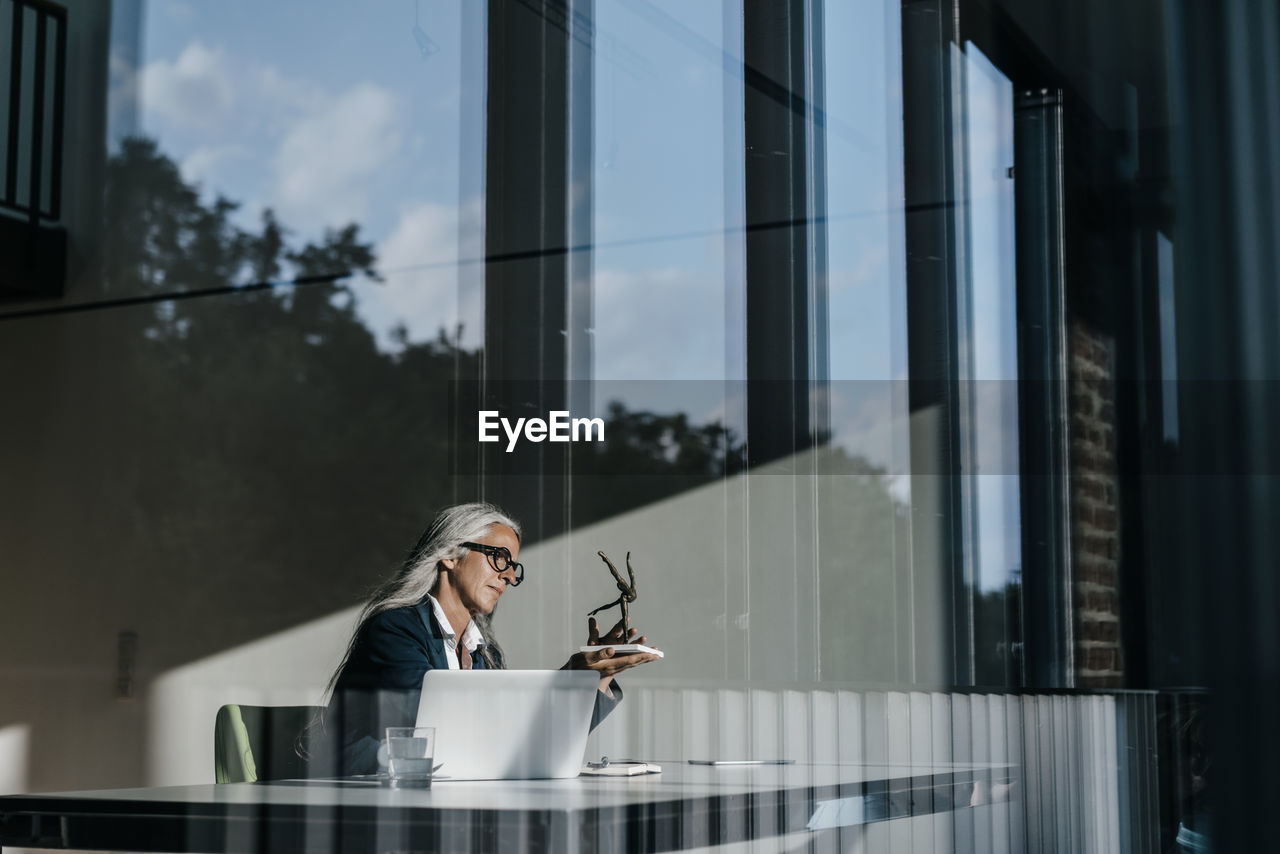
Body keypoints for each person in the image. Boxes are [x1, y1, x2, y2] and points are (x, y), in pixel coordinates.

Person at [310, 502, 659, 776]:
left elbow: (522, 738)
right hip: (366, 803)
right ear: (449, 554)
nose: (508, 576)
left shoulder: (483, 652)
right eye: (499, 558)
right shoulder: (394, 630)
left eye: (513, 567)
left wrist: (593, 678)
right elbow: (445, 723)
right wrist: (568, 677)